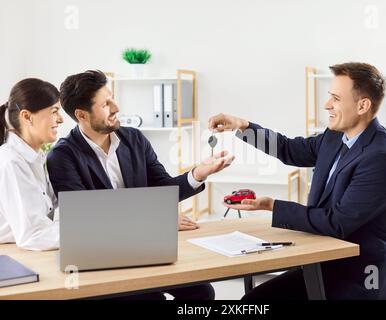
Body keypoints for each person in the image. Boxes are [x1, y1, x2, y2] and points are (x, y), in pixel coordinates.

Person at [208, 62, 386, 300]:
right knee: (253, 300)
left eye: (335, 98)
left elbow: (337, 223)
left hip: (359, 273)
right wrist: (242, 126)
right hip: (325, 259)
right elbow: (288, 149)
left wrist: (270, 205)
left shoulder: (381, 158)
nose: (327, 105)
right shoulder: (335, 136)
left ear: (362, 105)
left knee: (256, 301)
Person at [47, 70, 234, 300]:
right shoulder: (62, 156)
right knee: (150, 299)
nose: (116, 107)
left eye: (112, 97)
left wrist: (198, 173)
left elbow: (162, 189)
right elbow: (87, 219)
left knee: (202, 292)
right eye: (106, 104)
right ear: (82, 115)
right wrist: (156, 222)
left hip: (144, 250)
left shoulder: (134, 139)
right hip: (102, 258)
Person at [0, 78, 64, 251]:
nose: (61, 119)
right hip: (13, 255)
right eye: (54, 111)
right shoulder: (11, 162)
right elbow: (33, 235)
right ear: (27, 116)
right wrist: (89, 232)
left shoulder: (36, 157)